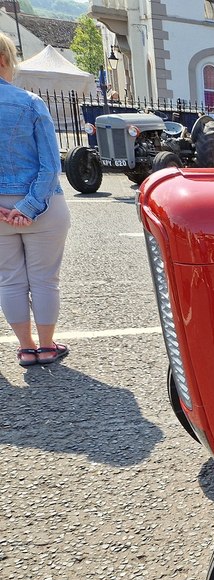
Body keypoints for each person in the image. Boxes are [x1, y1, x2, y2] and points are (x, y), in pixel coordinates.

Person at [0, 32, 71, 367]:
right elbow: (50, 164)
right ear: (4, 59)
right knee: (45, 279)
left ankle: (26, 347)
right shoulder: (29, 102)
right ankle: (46, 345)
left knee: (9, 279)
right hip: (41, 206)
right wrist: (27, 207)